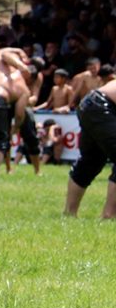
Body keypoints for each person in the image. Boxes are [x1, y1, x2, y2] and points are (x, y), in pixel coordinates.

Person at [65, 80, 116, 218]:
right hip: (103, 106)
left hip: (90, 103)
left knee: (91, 161)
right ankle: (109, 216)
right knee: (90, 161)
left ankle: (69, 214)